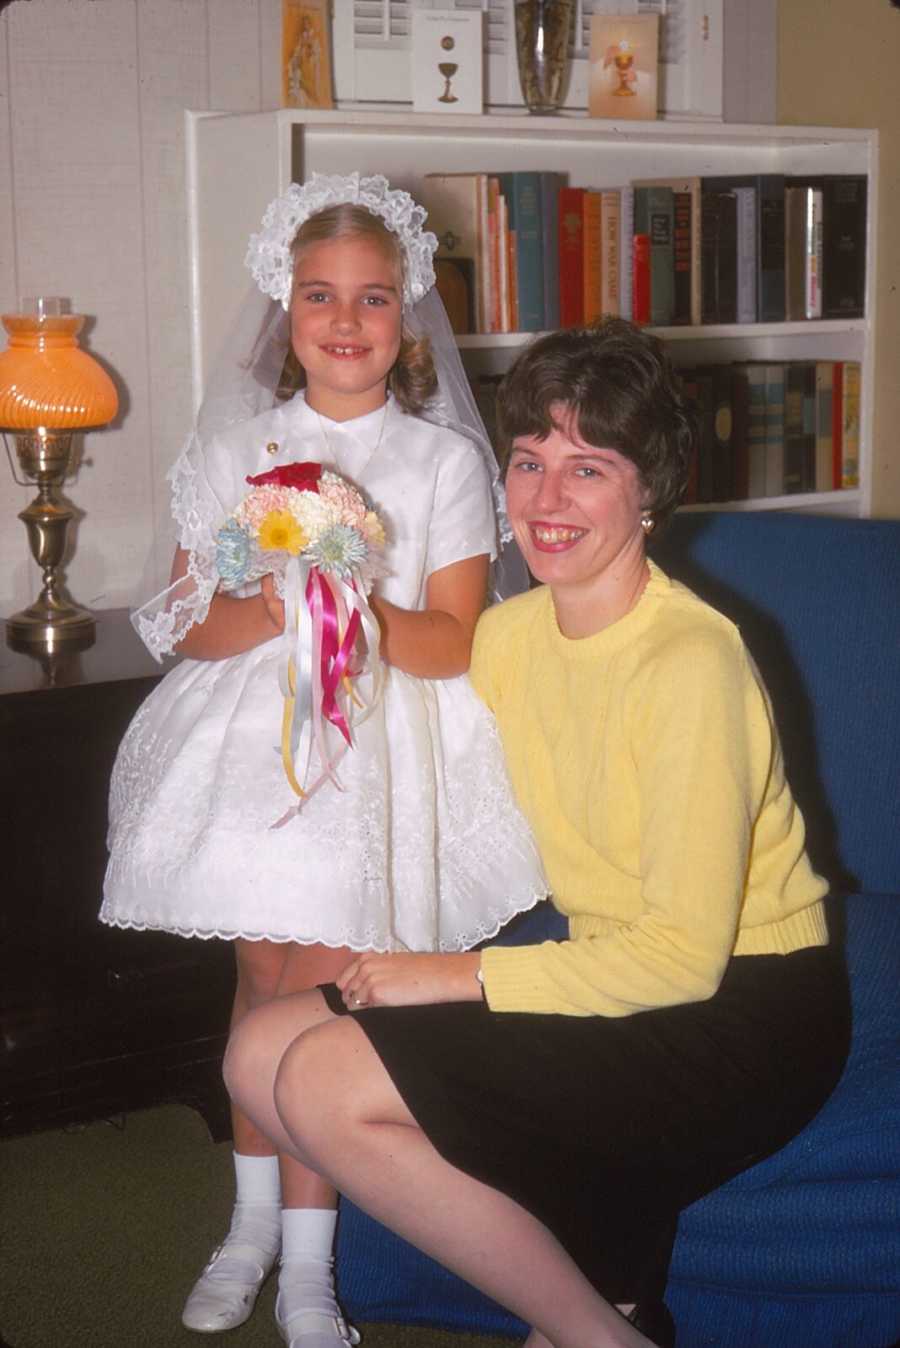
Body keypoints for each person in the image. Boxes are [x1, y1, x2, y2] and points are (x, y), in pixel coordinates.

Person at [222, 318, 851, 1348]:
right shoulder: (511, 636)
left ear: (647, 493)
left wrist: (454, 973)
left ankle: (601, 1334)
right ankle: (597, 1282)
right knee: (258, 1051)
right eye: (528, 461)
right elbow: (406, 754)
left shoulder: (692, 663)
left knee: (324, 1078)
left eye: (589, 468)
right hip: (612, 968)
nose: (546, 501)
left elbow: (682, 958)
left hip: (743, 1003)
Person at [99, 173, 545, 1348]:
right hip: (257, 734)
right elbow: (188, 620)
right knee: (258, 978)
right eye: (319, 296)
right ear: (284, 307)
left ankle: (307, 1266)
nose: (345, 323)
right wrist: (282, 595)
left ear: (407, 320)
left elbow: (453, 642)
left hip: (387, 740)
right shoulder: (240, 443)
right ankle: (248, 1224)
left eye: (374, 300)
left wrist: (355, 603)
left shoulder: (444, 459)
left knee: (316, 1002)